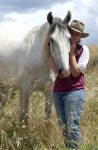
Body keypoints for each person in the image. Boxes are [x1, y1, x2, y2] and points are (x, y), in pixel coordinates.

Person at [47, 20, 89, 149]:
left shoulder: (84, 50)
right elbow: (55, 69)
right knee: (63, 126)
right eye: (71, 32)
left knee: (72, 126)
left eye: (77, 34)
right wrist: (48, 51)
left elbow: (76, 73)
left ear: (80, 37)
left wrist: (71, 53)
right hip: (58, 91)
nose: (73, 36)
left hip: (74, 91)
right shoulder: (60, 49)